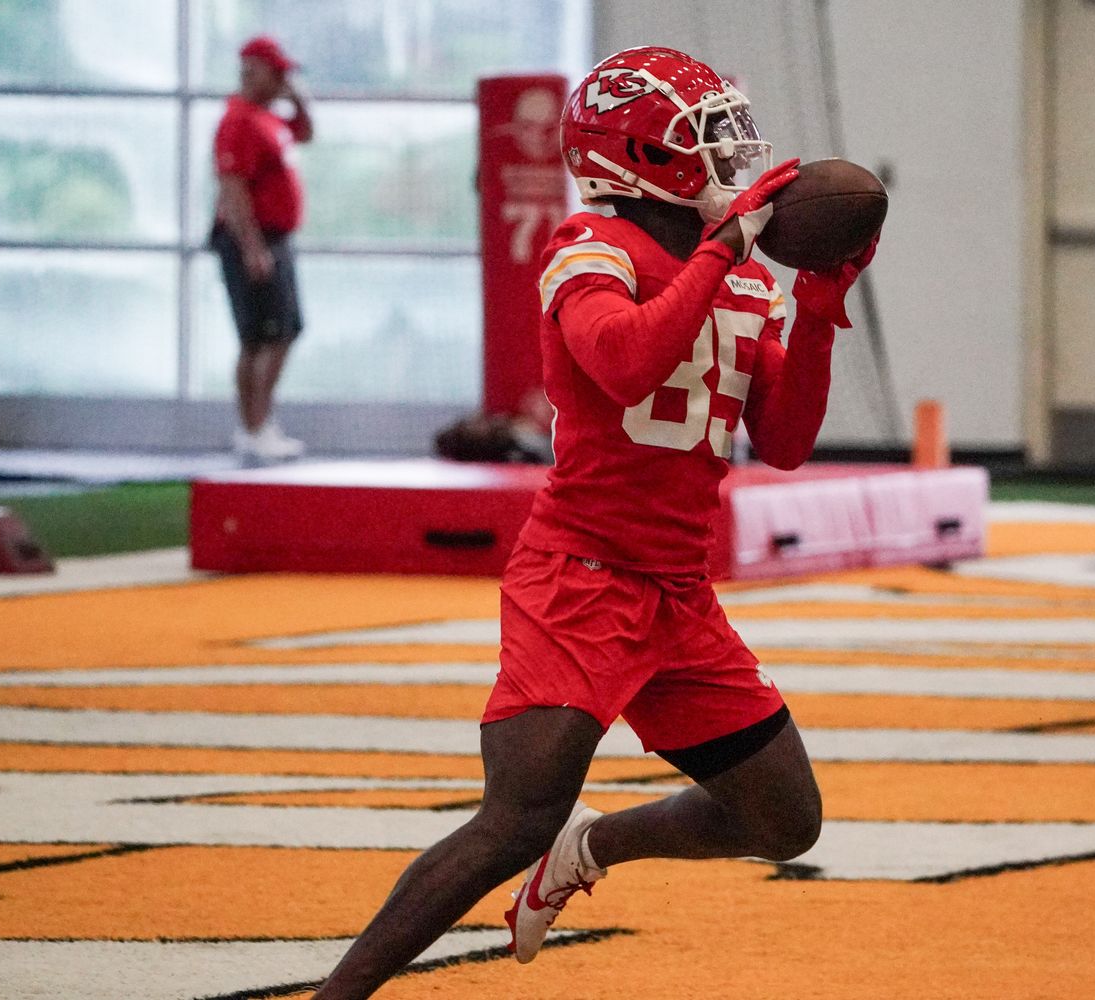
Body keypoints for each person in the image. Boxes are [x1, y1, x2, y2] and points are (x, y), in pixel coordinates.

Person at [309, 46, 879, 999]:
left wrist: (817, 310)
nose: (733, 158)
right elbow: (623, 363)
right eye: (708, 140)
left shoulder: (731, 270)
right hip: (581, 576)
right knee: (513, 819)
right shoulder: (593, 246)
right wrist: (723, 251)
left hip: (678, 595)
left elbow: (782, 440)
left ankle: (597, 845)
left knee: (785, 822)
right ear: (643, 157)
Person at [211, 34, 312, 463]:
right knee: (259, 337)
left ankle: (262, 422)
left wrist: (299, 100)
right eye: (280, 72)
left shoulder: (267, 119)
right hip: (252, 239)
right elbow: (233, 189)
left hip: (275, 238)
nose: (285, 79)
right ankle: (252, 428)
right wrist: (252, 247)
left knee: (284, 331)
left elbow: (304, 133)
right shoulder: (239, 122)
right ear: (259, 72)